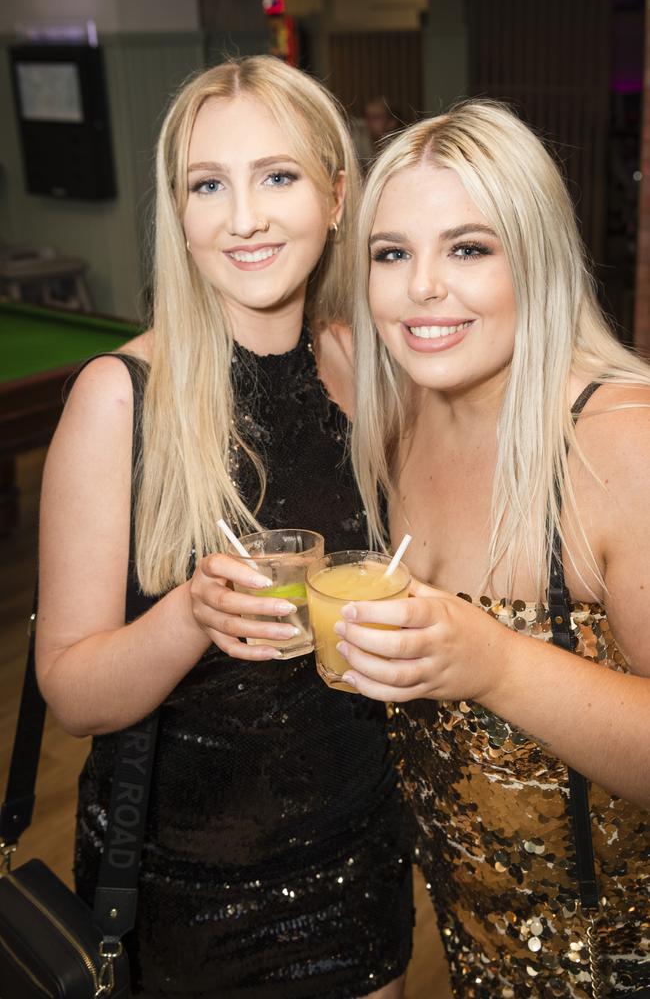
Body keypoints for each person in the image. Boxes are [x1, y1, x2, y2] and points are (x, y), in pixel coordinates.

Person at [35, 56, 413, 998]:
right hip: (188, 899)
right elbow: (73, 694)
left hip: (361, 853)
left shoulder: (364, 368)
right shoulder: (120, 400)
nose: (243, 218)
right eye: (210, 184)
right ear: (180, 211)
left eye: (277, 177)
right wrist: (189, 615)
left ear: (335, 198)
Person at [335, 101, 650, 997]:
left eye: (469, 248)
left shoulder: (622, 439)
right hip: (476, 955)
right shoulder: (395, 427)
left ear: (537, 259)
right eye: (391, 253)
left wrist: (492, 664)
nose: (423, 286)